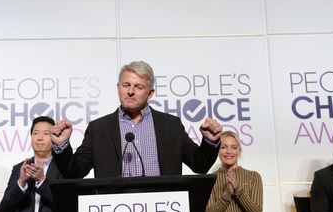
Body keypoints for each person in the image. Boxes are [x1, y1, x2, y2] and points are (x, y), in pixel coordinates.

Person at [50, 60, 222, 178]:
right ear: (118, 88)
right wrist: (61, 145)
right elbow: (75, 171)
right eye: (126, 85)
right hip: (114, 211)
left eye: (138, 87)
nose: (130, 91)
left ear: (150, 93)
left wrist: (210, 142)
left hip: (163, 209)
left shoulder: (170, 125)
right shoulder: (99, 128)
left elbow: (200, 165)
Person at [0, 116, 77, 212]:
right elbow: (5, 209)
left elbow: (69, 209)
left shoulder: (64, 169)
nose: (39, 138)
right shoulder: (19, 168)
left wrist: (42, 181)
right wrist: (21, 182)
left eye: (46, 133)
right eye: (35, 133)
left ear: (55, 136)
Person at [204, 131, 271, 212]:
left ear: (239, 151)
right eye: (223, 147)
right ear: (218, 151)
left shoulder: (253, 176)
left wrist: (238, 190)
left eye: (233, 147)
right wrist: (227, 194)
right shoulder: (210, 180)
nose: (229, 151)